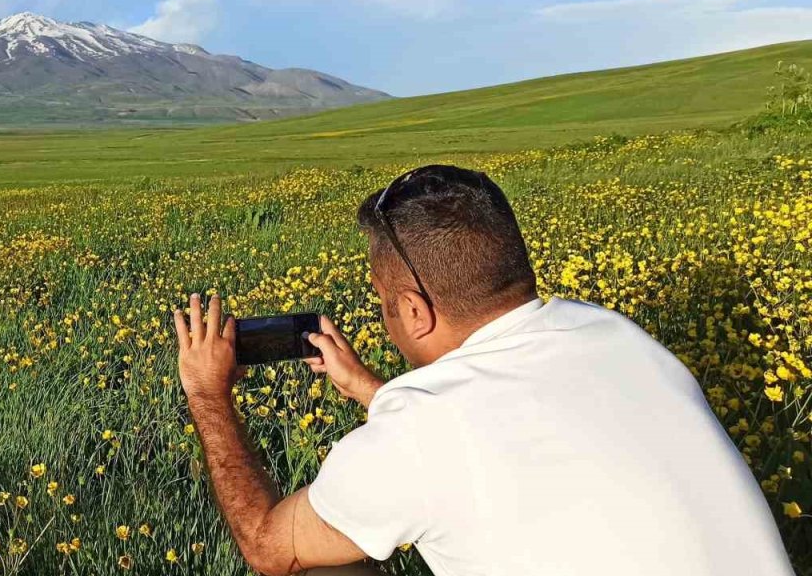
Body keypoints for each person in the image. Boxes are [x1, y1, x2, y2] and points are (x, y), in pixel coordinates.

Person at [172, 165, 794, 576]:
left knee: (322, 561)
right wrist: (369, 388)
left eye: (385, 305)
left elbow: (266, 546)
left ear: (414, 311)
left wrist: (207, 393)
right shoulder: (617, 335)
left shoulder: (421, 435)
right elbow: (508, 423)